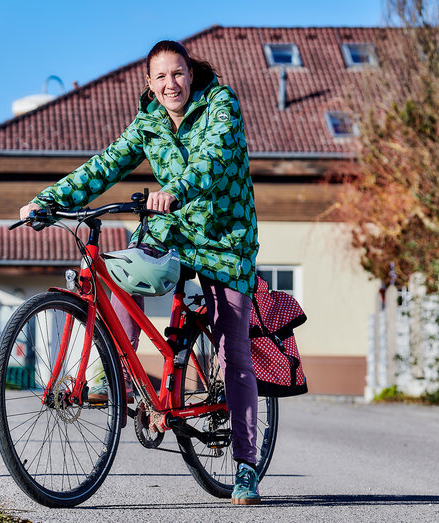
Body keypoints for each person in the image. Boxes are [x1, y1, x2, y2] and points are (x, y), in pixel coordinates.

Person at [18, 40, 261, 505]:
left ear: (191, 74)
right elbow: (105, 165)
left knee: (233, 349)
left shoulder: (220, 104)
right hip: (171, 227)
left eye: (178, 73)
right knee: (120, 272)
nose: (171, 84)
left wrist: (175, 189)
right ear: (148, 84)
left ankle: (246, 466)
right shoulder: (148, 123)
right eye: (161, 77)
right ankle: (117, 377)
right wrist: (49, 199)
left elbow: (212, 160)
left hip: (226, 238)